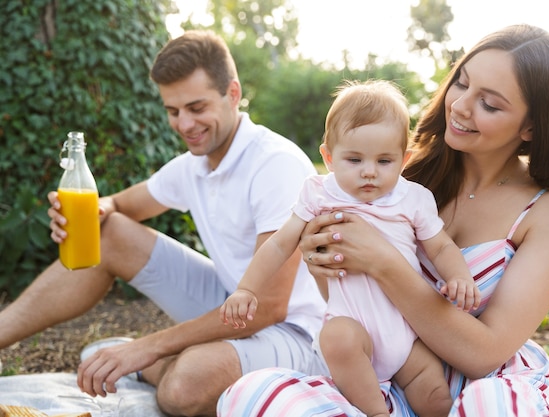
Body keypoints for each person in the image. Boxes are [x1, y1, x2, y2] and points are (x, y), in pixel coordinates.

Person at [216, 23, 549, 417]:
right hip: (386, 379)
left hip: (489, 384)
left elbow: (482, 356)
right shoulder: (392, 176)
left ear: (531, 126)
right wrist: (323, 262)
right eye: (461, 84)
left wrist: (383, 261)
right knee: (252, 395)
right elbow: (350, 300)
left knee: (490, 407)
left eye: (490, 104)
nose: (460, 106)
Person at [0, 30, 327, 416]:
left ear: (233, 94)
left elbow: (267, 307)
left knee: (185, 388)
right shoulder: (195, 165)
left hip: (298, 332)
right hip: (232, 302)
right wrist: (87, 215)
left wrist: (149, 346)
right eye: (173, 111)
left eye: (196, 107)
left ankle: (159, 363)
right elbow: (119, 206)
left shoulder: (275, 163)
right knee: (112, 233)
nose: (184, 124)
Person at [220, 80, 480, 417]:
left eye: (384, 161)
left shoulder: (413, 199)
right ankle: (376, 412)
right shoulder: (318, 194)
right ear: (328, 157)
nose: (369, 172)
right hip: (352, 327)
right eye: (354, 159)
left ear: (405, 159)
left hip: (407, 330)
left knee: (434, 397)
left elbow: (441, 247)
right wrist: (246, 289)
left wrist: (460, 277)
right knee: (336, 338)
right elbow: (281, 243)